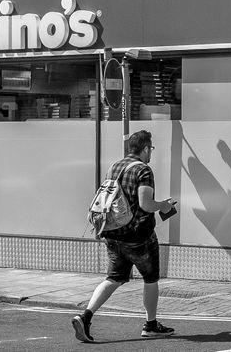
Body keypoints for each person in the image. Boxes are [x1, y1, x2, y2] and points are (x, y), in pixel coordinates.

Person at [72, 130, 177, 343]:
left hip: (114, 234)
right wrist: (164, 205)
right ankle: (150, 324)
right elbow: (145, 204)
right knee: (150, 279)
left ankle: (86, 316)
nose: (151, 153)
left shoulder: (114, 167)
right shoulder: (143, 170)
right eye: (151, 149)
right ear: (146, 148)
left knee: (114, 278)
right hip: (139, 237)